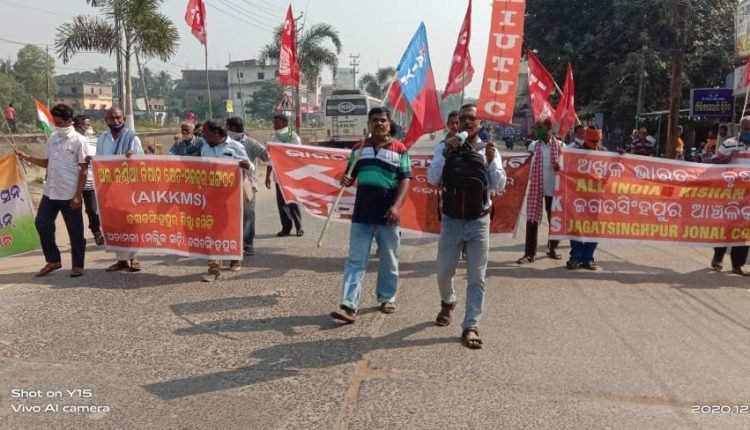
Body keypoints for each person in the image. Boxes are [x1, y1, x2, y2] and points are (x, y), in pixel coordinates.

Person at [427, 103, 507, 349]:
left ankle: (471, 325)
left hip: (478, 222)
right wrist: (445, 155)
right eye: (464, 118)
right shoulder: (444, 147)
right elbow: (432, 179)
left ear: (480, 124)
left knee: (476, 277)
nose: (468, 122)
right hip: (451, 221)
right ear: (458, 122)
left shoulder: (488, 149)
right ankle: (448, 301)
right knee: (444, 272)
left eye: (473, 118)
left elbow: (499, 185)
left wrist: (491, 161)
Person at [330, 107, 412, 323]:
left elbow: (405, 180)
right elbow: (350, 175)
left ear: (389, 124)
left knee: (389, 259)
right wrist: (346, 180)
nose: (379, 123)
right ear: (368, 124)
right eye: (374, 120)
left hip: (388, 215)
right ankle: (349, 305)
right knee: (355, 260)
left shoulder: (400, 149)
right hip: (361, 214)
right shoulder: (359, 149)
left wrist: (396, 207)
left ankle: (387, 297)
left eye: (383, 120)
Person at [15, 104, 88, 277]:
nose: (56, 126)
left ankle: (78, 264)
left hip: (69, 193)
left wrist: (78, 195)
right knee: (42, 224)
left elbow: (84, 170)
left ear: (69, 121)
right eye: (54, 122)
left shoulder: (79, 141)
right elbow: (47, 163)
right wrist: (27, 157)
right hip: (50, 192)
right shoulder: (53, 138)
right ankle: (53, 260)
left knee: (75, 231)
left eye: (59, 123)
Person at [200, 120, 253, 282]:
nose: (202, 135)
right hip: (212, 196)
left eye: (205, 132)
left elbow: (251, 168)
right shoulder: (205, 148)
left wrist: (246, 165)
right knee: (212, 230)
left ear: (216, 133)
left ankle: (235, 256)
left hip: (232, 196)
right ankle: (213, 268)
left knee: (231, 228)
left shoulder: (235, 147)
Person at [96, 106, 144, 272]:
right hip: (109, 189)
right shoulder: (102, 139)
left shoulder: (133, 138)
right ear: (106, 120)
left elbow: (143, 163)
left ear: (124, 119)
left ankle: (134, 257)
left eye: (118, 118)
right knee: (115, 223)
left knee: (131, 222)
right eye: (112, 118)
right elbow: (99, 162)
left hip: (129, 188)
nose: (115, 121)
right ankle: (121, 259)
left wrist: (133, 158)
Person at [517, 118, 562, 264]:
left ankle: (553, 248)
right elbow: (525, 165)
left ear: (548, 127)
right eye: (535, 128)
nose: (536, 131)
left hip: (554, 188)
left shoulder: (561, 146)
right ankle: (529, 253)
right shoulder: (533, 146)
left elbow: (568, 165)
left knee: (554, 220)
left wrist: (561, 167)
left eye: (539, 127)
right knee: (532, 219)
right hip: (537, 187)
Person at [709, 116, 750, 276]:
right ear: (740, 128)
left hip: (748, 196)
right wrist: (727, 157)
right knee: (725, 227)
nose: (748, 131)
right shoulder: (728, 143)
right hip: (730, 193)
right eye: (746, 129)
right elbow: (714, 164)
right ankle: (718, 258)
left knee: (744, 230)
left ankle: (738, 265)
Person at [226, 116, 269, 256]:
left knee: (248, 215)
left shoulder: (251, 143)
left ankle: (248, 244)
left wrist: (272, 148)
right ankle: (232, 243)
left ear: (232, 128)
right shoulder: (225, 143)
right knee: (229, 215)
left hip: (247, 184)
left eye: (228, 127)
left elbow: (266, 157)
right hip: (228, 184)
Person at [566, 126, 605, 270]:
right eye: (593, 140)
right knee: (576, 227)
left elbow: (613, 170)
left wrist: (620, 157)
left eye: (598, 141)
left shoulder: (604, 153)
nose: (595, 144)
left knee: (593, 228)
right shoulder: (575, 152)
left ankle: (588, 258)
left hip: (596, 197)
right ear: (586, 138)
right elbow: (566, 170)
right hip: (578, 196)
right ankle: (575, 257)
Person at [265, 113, 304, 237]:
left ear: (284, 123)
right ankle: (286, 228)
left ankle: (299, 227)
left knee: (292, 201)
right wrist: (267, 175)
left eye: (276, 123)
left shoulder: (294, 137)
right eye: (274, 123)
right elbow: (270, 158)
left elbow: (298, 156)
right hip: (278, 176)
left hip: (291, 175)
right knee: (282, 204)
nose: (274, 125)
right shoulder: (273, 139)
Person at [72, 114, 104, 246]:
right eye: (88, 125)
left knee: (92, 210)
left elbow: (103, 157)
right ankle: (77, 239)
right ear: (79, 127)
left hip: (91, 182)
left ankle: (97, 232)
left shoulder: (96, 141)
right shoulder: (72, 141)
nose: (90, 127)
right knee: (74, 212)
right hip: (73, 182)